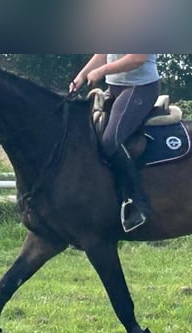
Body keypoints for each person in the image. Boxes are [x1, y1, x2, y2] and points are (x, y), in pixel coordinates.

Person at [69, 54, 161, 232]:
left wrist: (102, 71)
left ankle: (137, 202)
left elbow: (136, 59)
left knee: (112, 141)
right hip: (115, 88)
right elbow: (103, 54)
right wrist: (79, 78)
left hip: (140, 88)